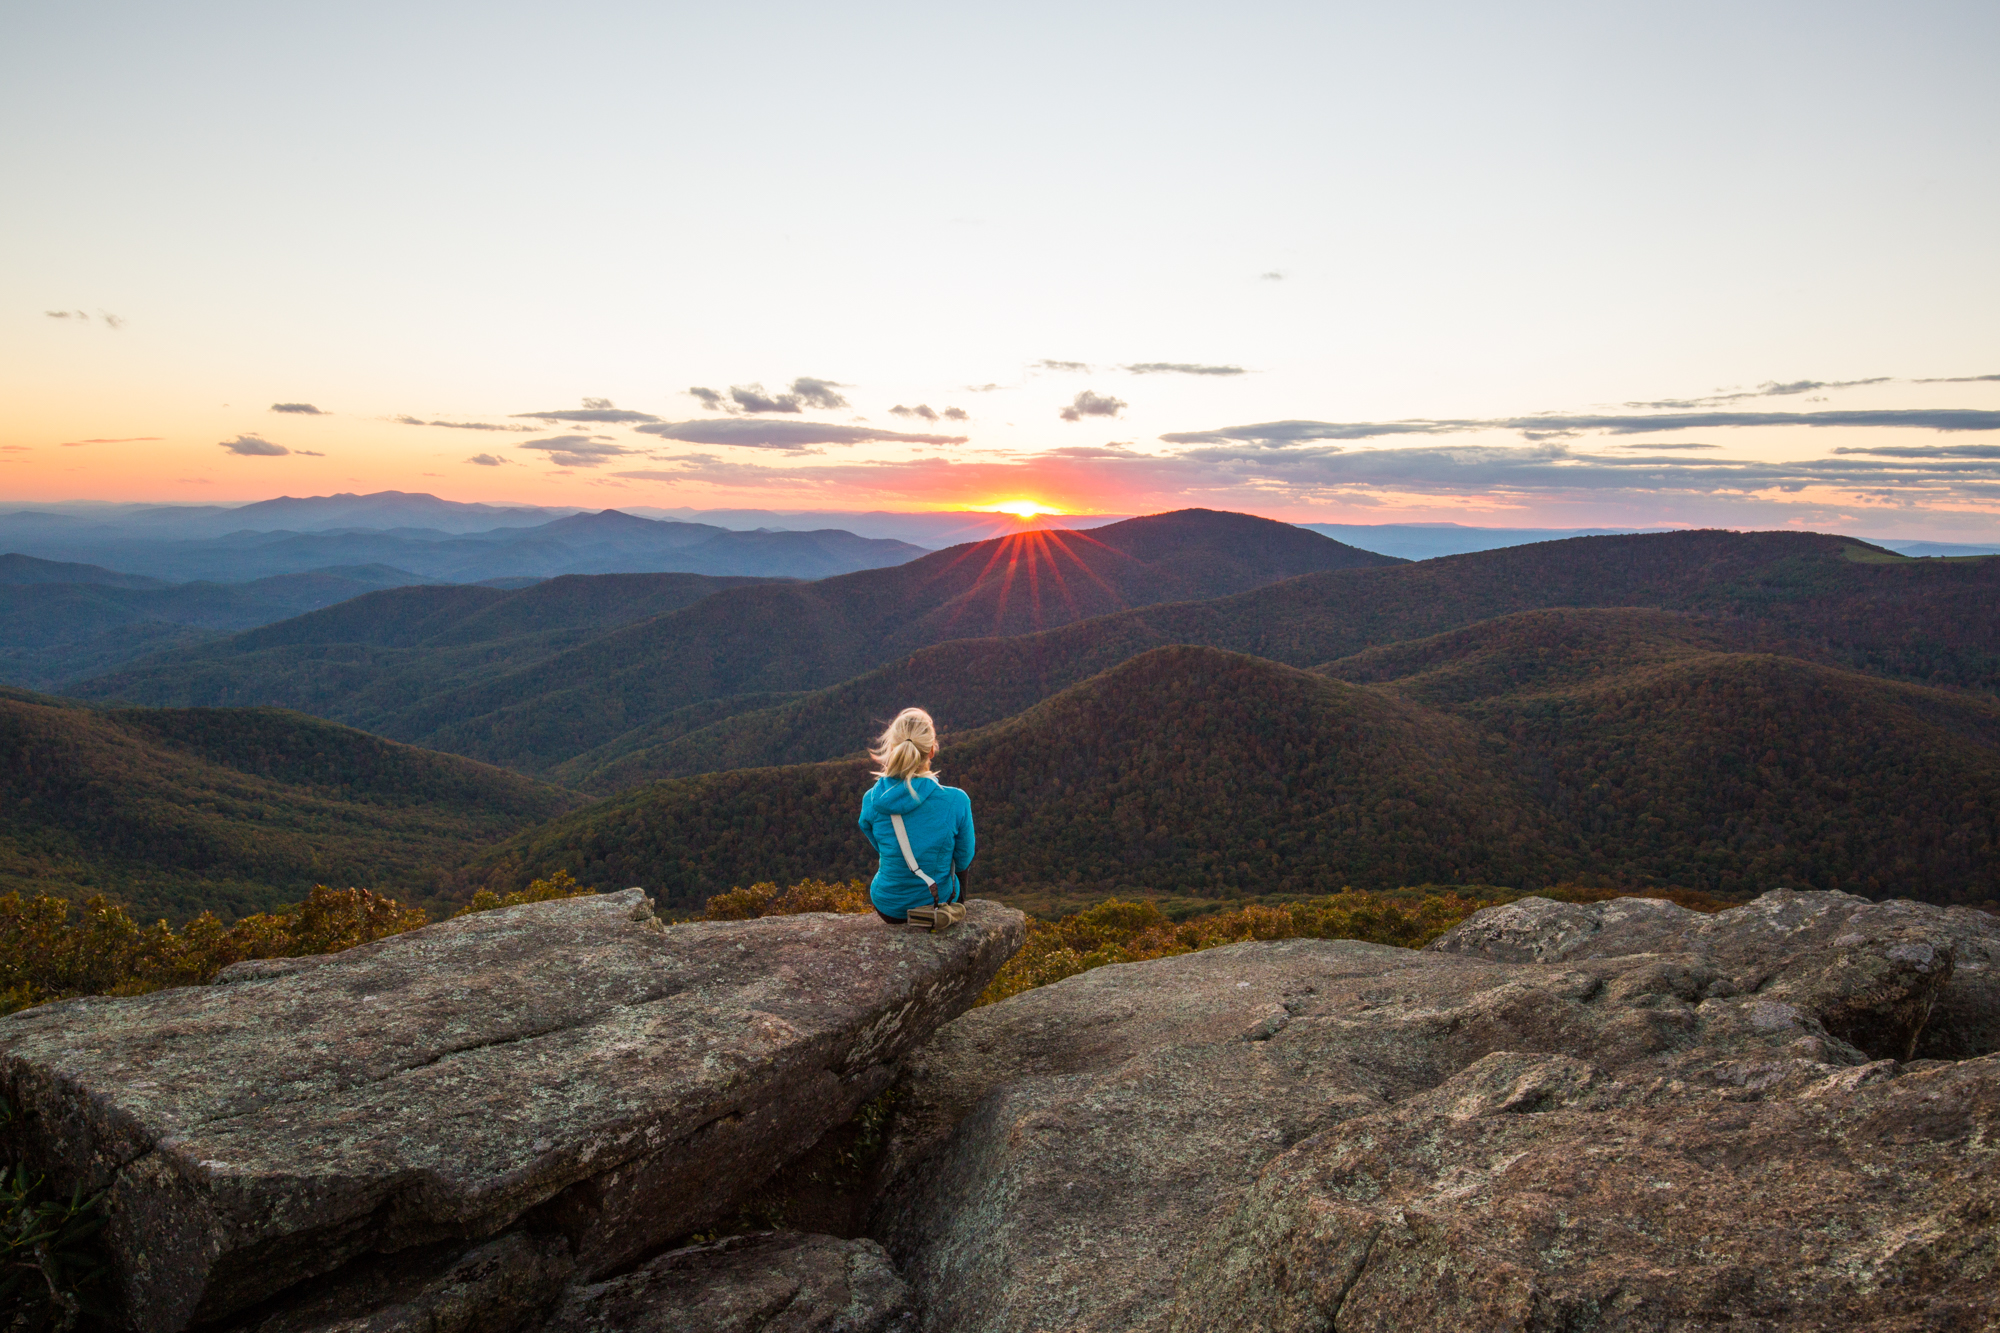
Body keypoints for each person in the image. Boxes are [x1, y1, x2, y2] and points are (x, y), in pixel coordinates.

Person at [858, 707, 975, 924]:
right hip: (933, 901)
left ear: (893, 747)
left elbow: (880, 844)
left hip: (887, 908)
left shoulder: (871, 800)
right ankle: (955, 905)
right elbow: (963, 859)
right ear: (931, 750)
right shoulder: (957, 800)